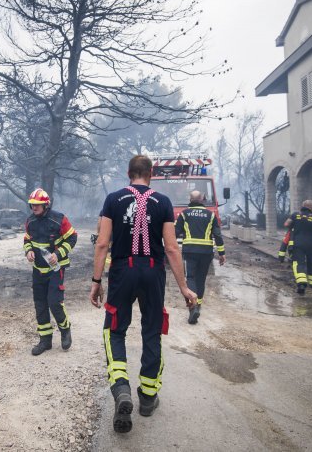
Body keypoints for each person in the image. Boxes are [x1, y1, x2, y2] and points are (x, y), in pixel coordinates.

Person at [89, 155, 197, 433]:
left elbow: (102, 243)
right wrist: (184, 286)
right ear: (151, 174)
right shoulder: (163, 203)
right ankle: (148, 398)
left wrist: (96, 281)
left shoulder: (113, 199)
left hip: (123, 271)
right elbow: (172, 248)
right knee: (151, 331)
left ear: (128, 173)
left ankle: (121, 386)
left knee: (114, 330)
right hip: (152, 272)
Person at [23, 187, 78, 355]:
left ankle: (65, 329)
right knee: (40, 304)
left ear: (46, 205)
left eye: (38, 205)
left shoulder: (59, 219)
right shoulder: (30, 221)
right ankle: (45, 340)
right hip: (38, 270)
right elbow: (27, 239)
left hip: (56, 269)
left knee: (54, 302)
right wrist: (28, 251)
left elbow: (72, 237)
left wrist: (58, 253)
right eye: (32, 205)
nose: (34, 208)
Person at [174, 190, 226, 325]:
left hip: (190, 251)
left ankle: (193, 306)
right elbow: (218, 236)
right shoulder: (211, 215)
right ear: (202, 199)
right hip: (206, 252)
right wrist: (221, 253)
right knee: (201, 279)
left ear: (190, 199)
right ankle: (199, 306)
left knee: (190, 278)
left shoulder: (184, 214)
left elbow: (175, 233)